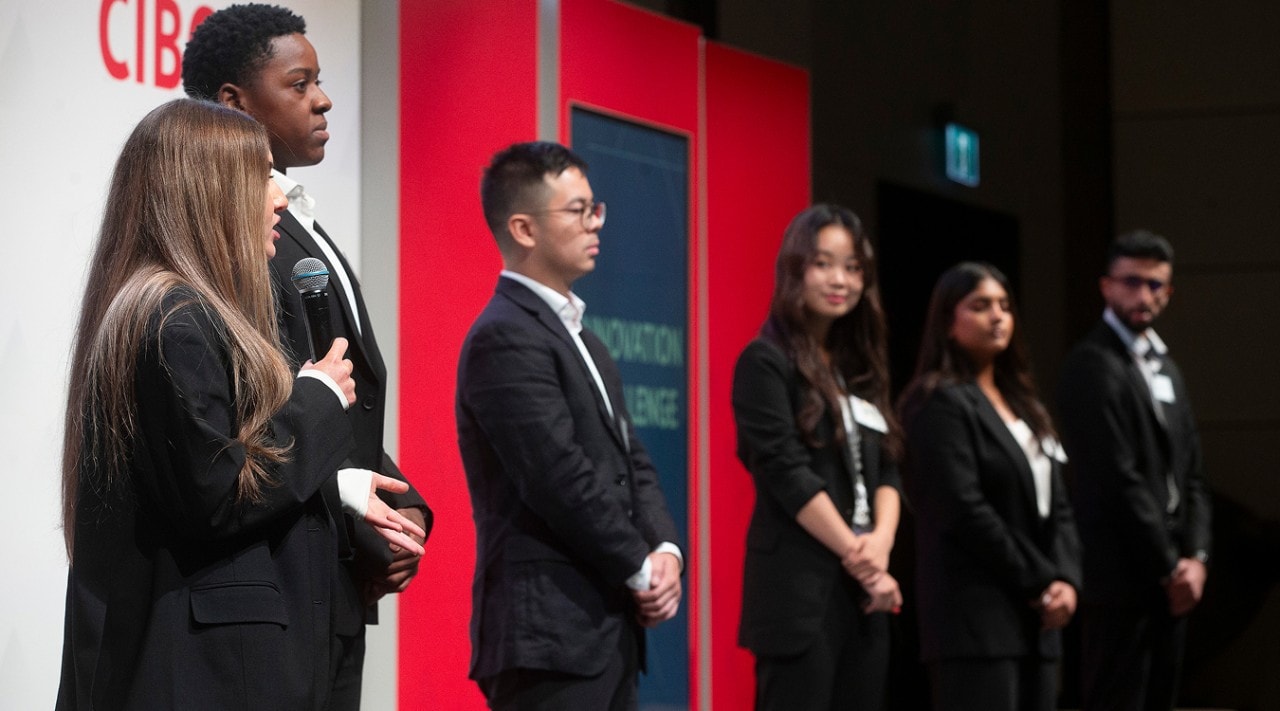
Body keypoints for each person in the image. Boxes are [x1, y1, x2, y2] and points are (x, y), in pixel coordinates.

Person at [55, 98, 425, 710]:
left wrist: (337, 488)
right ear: (211, 192)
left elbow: (199, 474)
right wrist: (318, 398)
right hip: (208, 676)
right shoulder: (175, 319)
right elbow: (217, 493)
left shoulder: (177, 313)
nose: (280, 199)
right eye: (262, 179)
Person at [183, 6, 431, 705]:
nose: (323, 99)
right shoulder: (231, 240)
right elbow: (268, 410)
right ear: (233, 104)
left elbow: (339, 393)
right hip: (277, 575)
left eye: (320, 81)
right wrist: (355, 503)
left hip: (331, 576)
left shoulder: (297, 221)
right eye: (299, 84)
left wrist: (398, 505)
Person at [457, 141, 684, 711]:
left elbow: (632, 461)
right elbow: (557, 476)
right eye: (577, 211)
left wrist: (666, 551)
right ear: (524, 229)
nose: (594, 224)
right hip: (547, 634)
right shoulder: (503, 335)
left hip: (605, 627)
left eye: (594, 209)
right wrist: (639, 566)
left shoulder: (585, 337)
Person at [731, 204, 903, 710]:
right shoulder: (765, 362)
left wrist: (884, 544)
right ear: (795, 269)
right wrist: (863, 560)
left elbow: (890, 464)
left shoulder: (859, 369)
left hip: (864, 594)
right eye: (824, 263)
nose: (840, 280)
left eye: (852, 268)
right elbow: (786, 473)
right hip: (799, 595)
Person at [897, 262, 1082, 711]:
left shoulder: (1025, 404)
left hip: (1037, 621)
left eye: (1004, 306)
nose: (997, 316)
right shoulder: (935, 401)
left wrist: (1066, 579)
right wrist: (1040, 579)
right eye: (980, 306)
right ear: (948, 321)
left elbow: (1059, 505)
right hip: (976, 620)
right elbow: (963, 509)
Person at [1056, 231, 1211, 711]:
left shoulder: (1165, 366)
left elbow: (1193, 474)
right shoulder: (1090, 363)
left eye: (1155, 285)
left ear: (1169, 292)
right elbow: (1112, 477)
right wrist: (1169, 567)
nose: (1143, 295)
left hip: (1174, 573)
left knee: (1163, 696)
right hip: (1121, 574)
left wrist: (1198, 557)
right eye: (1131, 282)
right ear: (1106, 286)